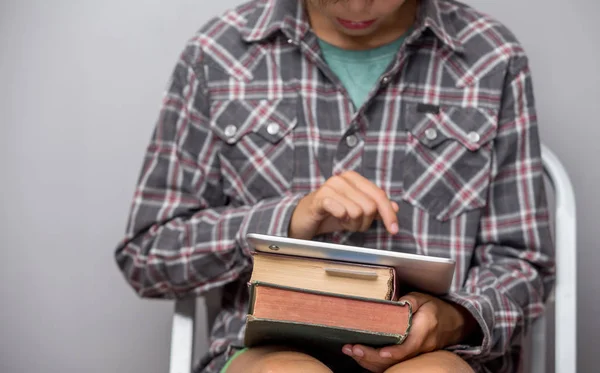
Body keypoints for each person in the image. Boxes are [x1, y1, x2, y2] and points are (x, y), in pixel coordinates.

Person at [114, 0, 555, 372]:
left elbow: (522, 263)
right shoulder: (218, 54)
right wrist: (287, 221)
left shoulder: (492, 57)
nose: (358, 5)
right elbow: (148, 253)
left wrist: (458, 318)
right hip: (262, 353)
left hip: (440, 353)